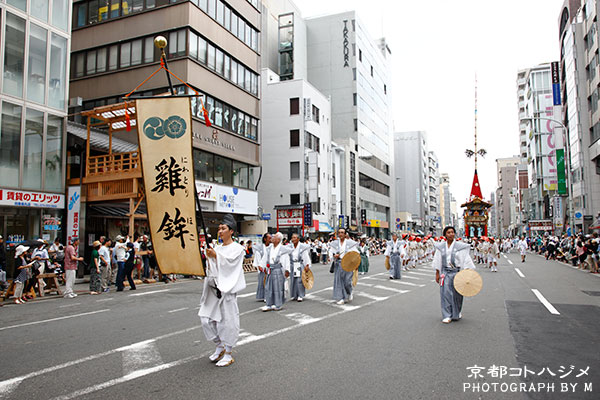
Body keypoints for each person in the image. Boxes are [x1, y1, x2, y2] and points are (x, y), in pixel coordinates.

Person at [199, 214, 246, 368]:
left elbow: (231, 265)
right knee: (206, 319)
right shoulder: (217, 248)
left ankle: (228, 352)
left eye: (223, 228)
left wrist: (216, 256)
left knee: (227, 321)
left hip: (227, 290)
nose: (220, 231)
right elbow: (213, 267)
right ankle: (219, 345)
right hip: (213, 289)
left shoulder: (238, 249)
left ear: (231, 231)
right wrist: (211, 257)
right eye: (219, 228)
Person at [433, 226, 476, 324]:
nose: (451, 234)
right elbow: (438, 260)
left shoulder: (460, 247)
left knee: (458, 294)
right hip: (445, 273)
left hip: (457, 272)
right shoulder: (440, 247)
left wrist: (467, 272)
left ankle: (457, 312)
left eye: (452, 232)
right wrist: (437, 273)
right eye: (448, 232)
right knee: (445, 294)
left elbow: (466, 259)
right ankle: (447, 315)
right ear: (445, 235)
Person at [261, 232, 291, 311]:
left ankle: (278, 304)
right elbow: (265, 258)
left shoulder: (282, 249)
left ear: (278, 240)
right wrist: (263, 266)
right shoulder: (269, 248)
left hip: (278, 269)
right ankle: (269, 304)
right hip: (270, 269)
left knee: (278, 287)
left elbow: (286, 259)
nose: (272, 238)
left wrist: (287, 270)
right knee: (268, 287)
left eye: (274, 237)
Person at [329, 228, 359, 305]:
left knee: (347, 281)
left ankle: (350, 291)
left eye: (342, 232)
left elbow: (356, 253)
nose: (340, 234)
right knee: (338, 281)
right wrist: (334, 256)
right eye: (339, 233)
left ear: (345, 234)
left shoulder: (350, 243)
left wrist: (356, 264)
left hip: (348, 264)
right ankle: (340, 297)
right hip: (338, 263)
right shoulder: (334, 243)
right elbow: (330, 252)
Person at [288, 233, 311, 302]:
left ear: (298, 239)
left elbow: (305, 256)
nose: (293, 239)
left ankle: (300, 295)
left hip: (298, 264)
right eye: (292, 238)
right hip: (292, 264)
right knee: (293, 280)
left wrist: (307, 265)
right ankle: (294, 294)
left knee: (299, 280)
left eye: (295, 238)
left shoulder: (302, 247)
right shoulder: (289, 247)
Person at [253, 233, 271, 301]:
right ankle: (263, 296)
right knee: (263, 281)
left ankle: (269, 296)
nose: (270, 239)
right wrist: (260, 266)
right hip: (263, 267)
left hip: (270, 267)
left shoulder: (272, 247)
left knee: (270, 282)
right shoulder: (260, 248)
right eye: (269, 238)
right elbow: (258, 257)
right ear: (265, 239)